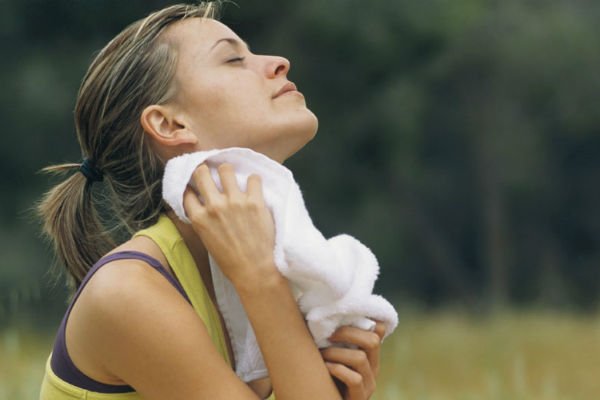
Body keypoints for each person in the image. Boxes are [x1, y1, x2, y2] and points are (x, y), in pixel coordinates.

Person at [38, 3, 385, 399]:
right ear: (170, 124)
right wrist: (261, 281)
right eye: (234, 60)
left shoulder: (269, 262)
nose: (279, 62)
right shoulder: (126, 292)